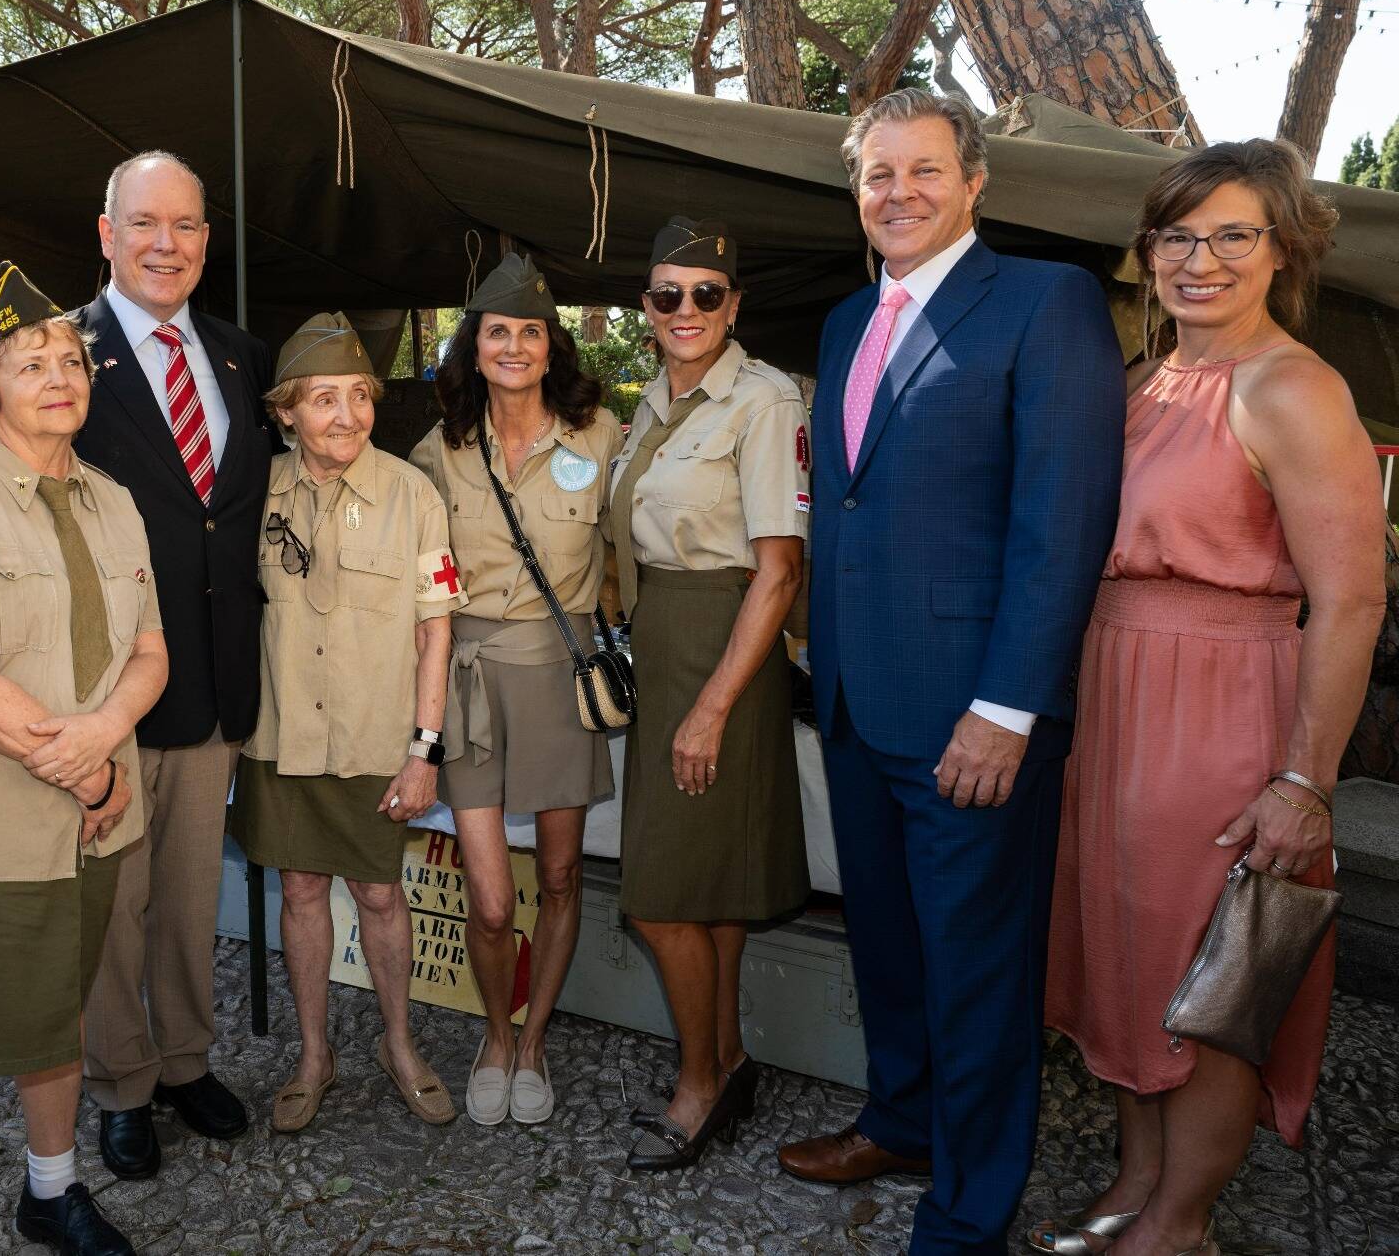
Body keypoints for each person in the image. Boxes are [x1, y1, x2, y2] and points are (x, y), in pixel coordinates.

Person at [779, 88, 1125, 1256]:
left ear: (975, 181)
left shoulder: (1042, 303)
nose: (899, 193)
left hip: (971, 714)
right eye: (877, 174)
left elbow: (1060, 523)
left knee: (976, 968)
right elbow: (853, 504)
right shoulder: (840, 323)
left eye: (923, 170)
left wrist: (1005, 706)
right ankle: (902, 1120)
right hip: (855, 702)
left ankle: (970, 1208)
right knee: (885, 943)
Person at [1031, 141, 1383, 1256]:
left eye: (1232, 233)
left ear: (1280, 250)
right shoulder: (1143, 383)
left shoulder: (1293, 386)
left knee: (1214, 979)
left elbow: (1351, 603)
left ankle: (1179, 1223)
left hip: (1221, 712)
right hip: (1117, 698)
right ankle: (1136, 1180)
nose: (1199, 259)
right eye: (1176, 235)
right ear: (1145, 253)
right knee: (1125, 969)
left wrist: (1301, 781)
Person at [0, 264, 169, 1256]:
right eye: (29, 363)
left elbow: (149, 654)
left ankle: (49, 1191)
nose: (60, 376)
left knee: (60, 1011)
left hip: (95, 813)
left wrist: (102, 751)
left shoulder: (112, 499)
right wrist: (90, 766)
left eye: (71, 360)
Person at [72, 150, 275, 1178]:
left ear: (206, 238)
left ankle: (188, 1059)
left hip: (217, 679)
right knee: (113, 903)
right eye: (144, 223)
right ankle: (120, 1080)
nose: (166, 243)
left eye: (186, 225)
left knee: (192, 894)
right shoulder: (59, 353)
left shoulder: (239, 356)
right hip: (107, 684)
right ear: (105, 233)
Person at [603, 217, 810, 1170]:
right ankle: (724, 1056)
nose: (684, 311)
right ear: (645, 308)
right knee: (711, 884)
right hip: (664, 643)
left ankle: (698, 1085)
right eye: (665, 295)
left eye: (706, 294)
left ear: (735, 304)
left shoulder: (764, 402)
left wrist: (714, 705)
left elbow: (777, 571)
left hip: (725, 649)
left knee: (658, 895)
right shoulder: (651, 403)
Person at [229, 312, 464, 1132]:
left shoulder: (412, 494)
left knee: (377, 890)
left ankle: (400, 1045)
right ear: (286, 409)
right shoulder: (254, 490)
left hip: (373, 737)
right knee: (299, 890)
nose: (346, 415)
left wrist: (423, 750)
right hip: (283, 734)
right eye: (323, 398)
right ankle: (314, 1054)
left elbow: (436, 632)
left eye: (358, 396)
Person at [408, 252, 622, 1127]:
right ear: (475, 345)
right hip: (469, 681)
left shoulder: (602, 434)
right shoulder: (438, 451)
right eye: (498, 331)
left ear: (551, 344)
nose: (514, 346)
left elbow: (629, 554)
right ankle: (495, 1034)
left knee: (564, 873)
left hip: (560, 674)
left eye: (531, 331)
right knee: (492, 899)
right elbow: (421, 588)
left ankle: (535, 1040)